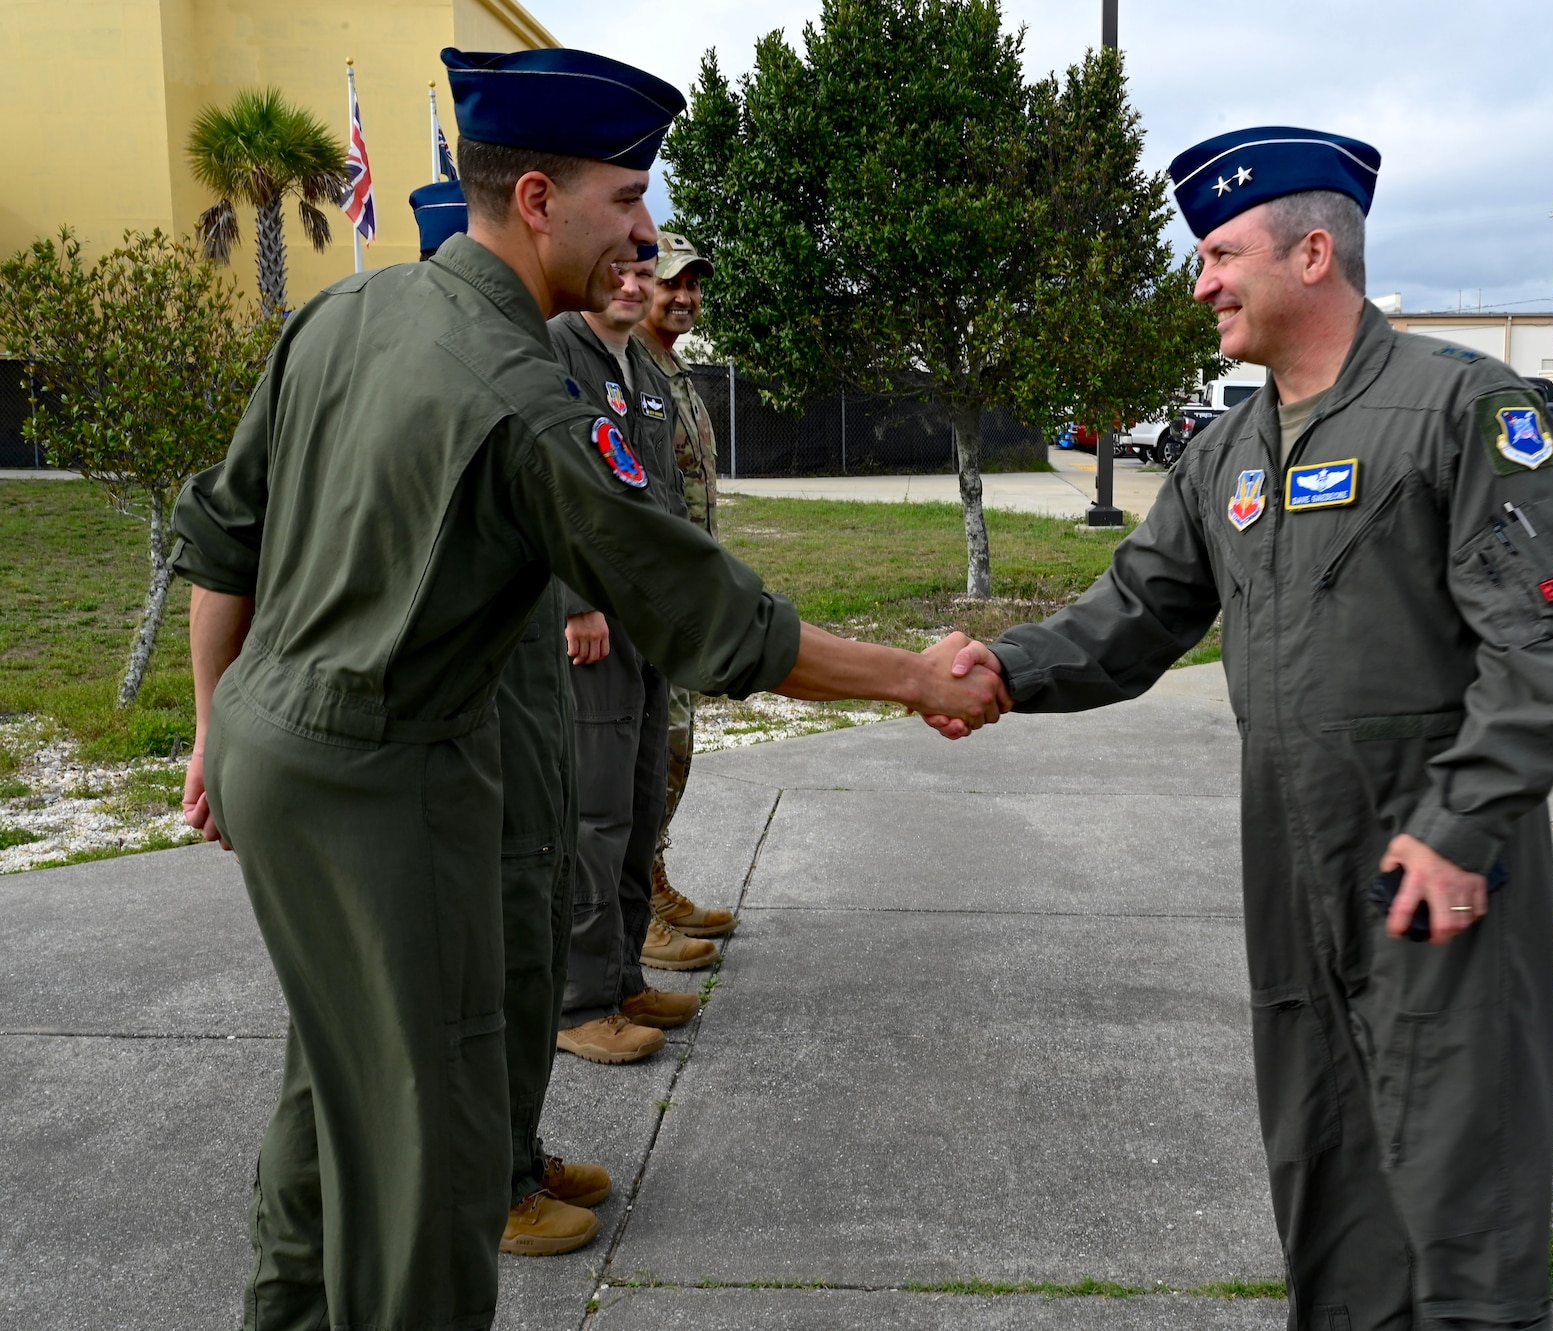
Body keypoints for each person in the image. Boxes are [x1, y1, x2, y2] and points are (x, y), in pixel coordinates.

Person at [176, 46, 1007, 1331]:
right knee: (431, 1143)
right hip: (386, 780)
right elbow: (705, 613)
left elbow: (222, 535)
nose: (643, 232)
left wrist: (211, 724)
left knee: (330, 1083)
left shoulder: (345, 315)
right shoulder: (521, 397)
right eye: (626, 201)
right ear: (536, 203)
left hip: (273, 750)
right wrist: (911, 675)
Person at [946, 127, 1553, 1331]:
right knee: (1326, 1162)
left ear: (1310, 252)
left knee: (1462, 1181)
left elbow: (1538, 642)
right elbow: (1131, 614)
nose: (1198, 283)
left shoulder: (1460, 407)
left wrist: (1461, 823)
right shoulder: (1227, 451)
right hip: (1289, 857)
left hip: (1430, 859)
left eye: (1217, 253)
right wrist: (997, 666)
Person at [411, 177, 615, 1254]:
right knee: (484, 965)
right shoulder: (459, 379)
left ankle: (515, 1147)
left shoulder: (523, 365)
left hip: (529, 698)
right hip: (467, 728)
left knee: (531, 938)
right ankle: (485, 1183)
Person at [545, 253, 711, 1065]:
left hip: (647, 623)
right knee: (597, 816)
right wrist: (576, 598)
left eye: (646, 272)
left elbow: (664, 501)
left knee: (642, 805)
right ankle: (580, 1002)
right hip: (595, 626)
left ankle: (623, 976)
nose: (636, 285)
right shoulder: (555, 350)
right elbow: (540, 483)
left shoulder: (637, 367)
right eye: (620, 267)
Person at [628, 232, 738, 958]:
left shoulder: (676, 374)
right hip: (646, 597)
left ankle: (653, 876)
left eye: (694, 286)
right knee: (651, 750)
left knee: (677, 743)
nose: (686, 298)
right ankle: (634, 912)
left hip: (684, 594)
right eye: (673, 284)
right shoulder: (629, 374)